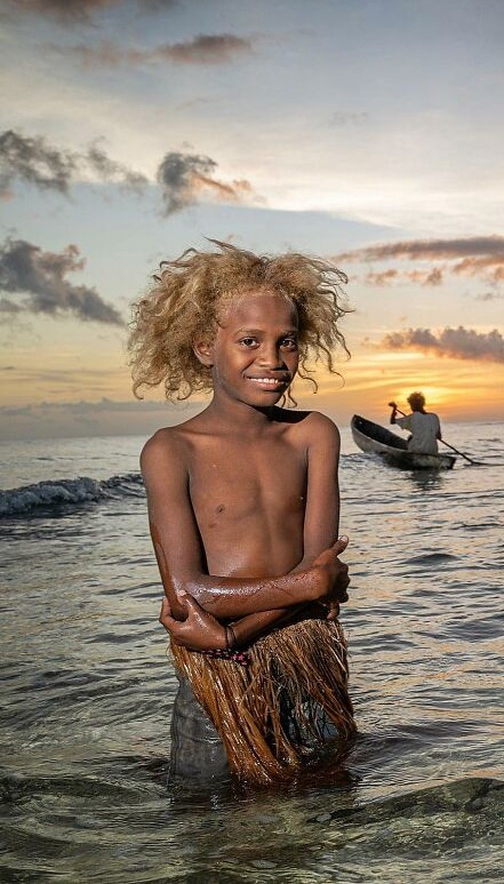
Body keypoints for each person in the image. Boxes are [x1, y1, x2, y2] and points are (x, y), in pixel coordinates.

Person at [128, 240, 356, 787]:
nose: (272, 360)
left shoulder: (313, 434)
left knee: (324, 812)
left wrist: (236, 633)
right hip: (219, 679)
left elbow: (317, 571)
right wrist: (302, 588)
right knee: (209, 821)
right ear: (206, 346)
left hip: (304, 658)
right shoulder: (171, 450)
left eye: (287, 342)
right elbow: (187, 592)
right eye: (249, 341)